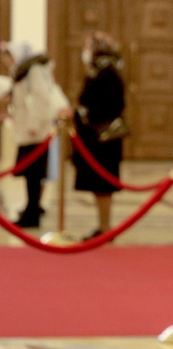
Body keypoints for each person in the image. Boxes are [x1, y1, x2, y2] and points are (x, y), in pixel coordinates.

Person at [4, 46, 70, 227]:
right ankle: (31, 207)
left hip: (34, 131)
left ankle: (32, 212)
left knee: (33, 175)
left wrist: (33, 125)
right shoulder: (26, 71)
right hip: (28, 129)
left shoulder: (35, 71)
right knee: (30, 175)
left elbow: (41, 98)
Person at [72, 33, 126, 239]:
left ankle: (105, 227)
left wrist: (86, 113)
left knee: (103, 186)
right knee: (97, 186)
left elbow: (110, 104)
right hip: (95, 139)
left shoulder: (108, 72)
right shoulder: (99, 70)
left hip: (104, 141)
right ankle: (102, 225)